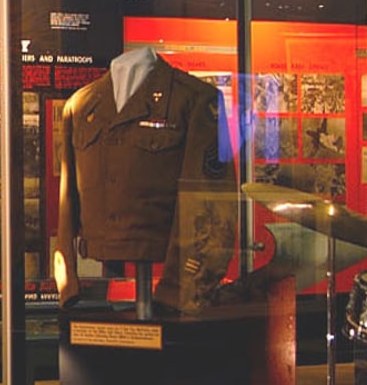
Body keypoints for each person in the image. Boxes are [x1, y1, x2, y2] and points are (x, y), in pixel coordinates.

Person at [54, 48, 236, 312]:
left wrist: (180, 289)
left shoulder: (195, 99)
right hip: (102, 246)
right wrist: (67, 281)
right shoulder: (81, 105)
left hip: (164, 254)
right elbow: (66, 197)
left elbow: (209, 204)